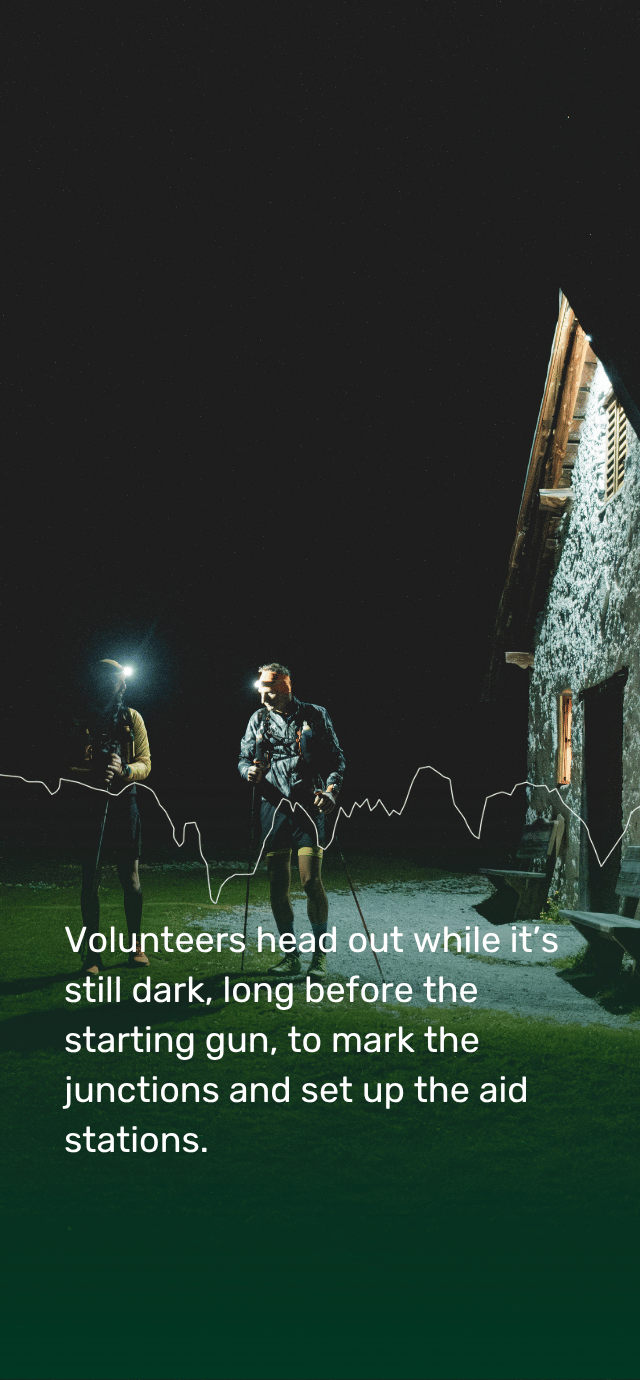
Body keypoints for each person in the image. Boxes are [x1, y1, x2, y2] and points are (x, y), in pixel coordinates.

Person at [238, 663, 345, 977]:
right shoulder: (257, 719)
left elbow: (335, 757)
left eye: (268, 691)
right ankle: (291, 956)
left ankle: (319, 957)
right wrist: (249, 772)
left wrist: (331, 790)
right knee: (276, 886)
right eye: (260, 690)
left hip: (308, 806)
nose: (263, 698)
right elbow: (243, 758)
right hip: (272, 808)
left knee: (311, 882)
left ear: (284, 688)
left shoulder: (314, 714)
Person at [71, 659, 151, 974]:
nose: (122, 685)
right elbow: (62, 766)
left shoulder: (132, 718)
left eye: (122, 680)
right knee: (90, 879)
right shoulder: (80, 720)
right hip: (88, 804)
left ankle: (135, 945)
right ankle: (92, 954)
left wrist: (124, 769)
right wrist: (89, 772)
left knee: (130, 878)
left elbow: (145, 762)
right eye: (117, 680)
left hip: (124, 802)